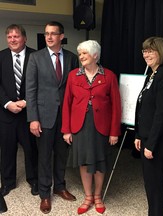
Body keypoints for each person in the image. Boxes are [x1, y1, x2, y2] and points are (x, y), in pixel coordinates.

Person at [61, 40, 121, 215]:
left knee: (100, 162)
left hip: (101, 126)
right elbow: (67, 103)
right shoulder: (73, 75)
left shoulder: (109, 76)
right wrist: (66, 130)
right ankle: (87, 197)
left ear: (95, 55)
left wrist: (114, 132)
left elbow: (116, 106)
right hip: (79, 126)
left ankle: (97, 196)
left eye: (84, 54)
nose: (81, 57)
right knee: (84, 161)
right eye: (80, 54)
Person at [26, 21, 79, 214]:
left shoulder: (72, 58)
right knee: (44, 156)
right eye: (47, 33)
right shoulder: (35, 58)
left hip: (65, 117)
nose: (49, 37)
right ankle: (44, 194)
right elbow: (30, 90)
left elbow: (74, 89)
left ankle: (60, 186)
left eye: (53, 34)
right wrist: (33, 118)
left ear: (61, 36)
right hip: (43, 116)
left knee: (62, 153)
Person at [134, 37, 163, 216]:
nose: (146, 54)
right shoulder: (152, 75)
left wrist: (151, 144)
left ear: (161, 52)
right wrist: (137, 134)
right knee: (150, 184)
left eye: (151, 50)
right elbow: (143, 108)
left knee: (156, 184)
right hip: (146, 137)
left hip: (157, 141)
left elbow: (162, 113)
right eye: (144, 51)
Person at [0, 24, 38, 197]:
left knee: (31, 149)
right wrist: (7, 103)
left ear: (24, 38)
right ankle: (7, 182)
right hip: (6, 113)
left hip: (28, 114)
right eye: (9, 37)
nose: (13, 40)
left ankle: (34, 180)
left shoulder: (36, 56)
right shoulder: (0, 57)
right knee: (7, 149)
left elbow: (41, 84)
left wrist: (25, 102)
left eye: (16, 36)